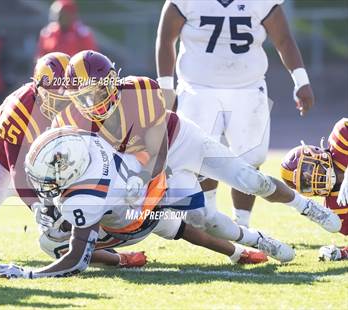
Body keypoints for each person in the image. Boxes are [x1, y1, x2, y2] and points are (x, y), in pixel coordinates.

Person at [54, 50, 340, 261]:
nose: (92, 102)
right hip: (148, 167)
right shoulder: (80, 124)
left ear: (111, 82)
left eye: (97, 91)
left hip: (181, 141)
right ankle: (258, 240)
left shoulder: (140, 90)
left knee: (251, 180)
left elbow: (160, 148)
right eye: (84, 96)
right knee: (204, 220)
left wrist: (140, 181)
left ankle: (305, 206)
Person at [0, 52, 148, 272]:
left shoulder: (80, 101)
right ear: (37, 87)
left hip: (50, 165)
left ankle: (117, 256)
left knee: (59, 233)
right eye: (53, 97)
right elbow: (18, 169)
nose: (60, 104)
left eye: (66, 96)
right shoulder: (19, 108)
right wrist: (37, 206)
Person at [0, 127, 284, 279]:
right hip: (152, 191)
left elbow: (75, 262)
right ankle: (242, 250)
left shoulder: (84, 197)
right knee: (185, 226)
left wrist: (29, 273)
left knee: (50, 242)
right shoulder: (87, 143)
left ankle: (123, 259)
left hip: (136, 220)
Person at [155, 0, 315, 228]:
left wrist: (301, 80)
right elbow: (166, 38)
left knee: (251, 159)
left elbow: (284, 39)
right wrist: (166, 88)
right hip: (198, 87)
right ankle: (209, 218)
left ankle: (243, 223)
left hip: (248, 87)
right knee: (201, 155)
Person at [281, 118, 348, 261]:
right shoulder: (335, 210)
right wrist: (343, 253)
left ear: (315, 154)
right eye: (306, 182)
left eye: (308, 170)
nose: (313, 178)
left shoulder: (341, 136)